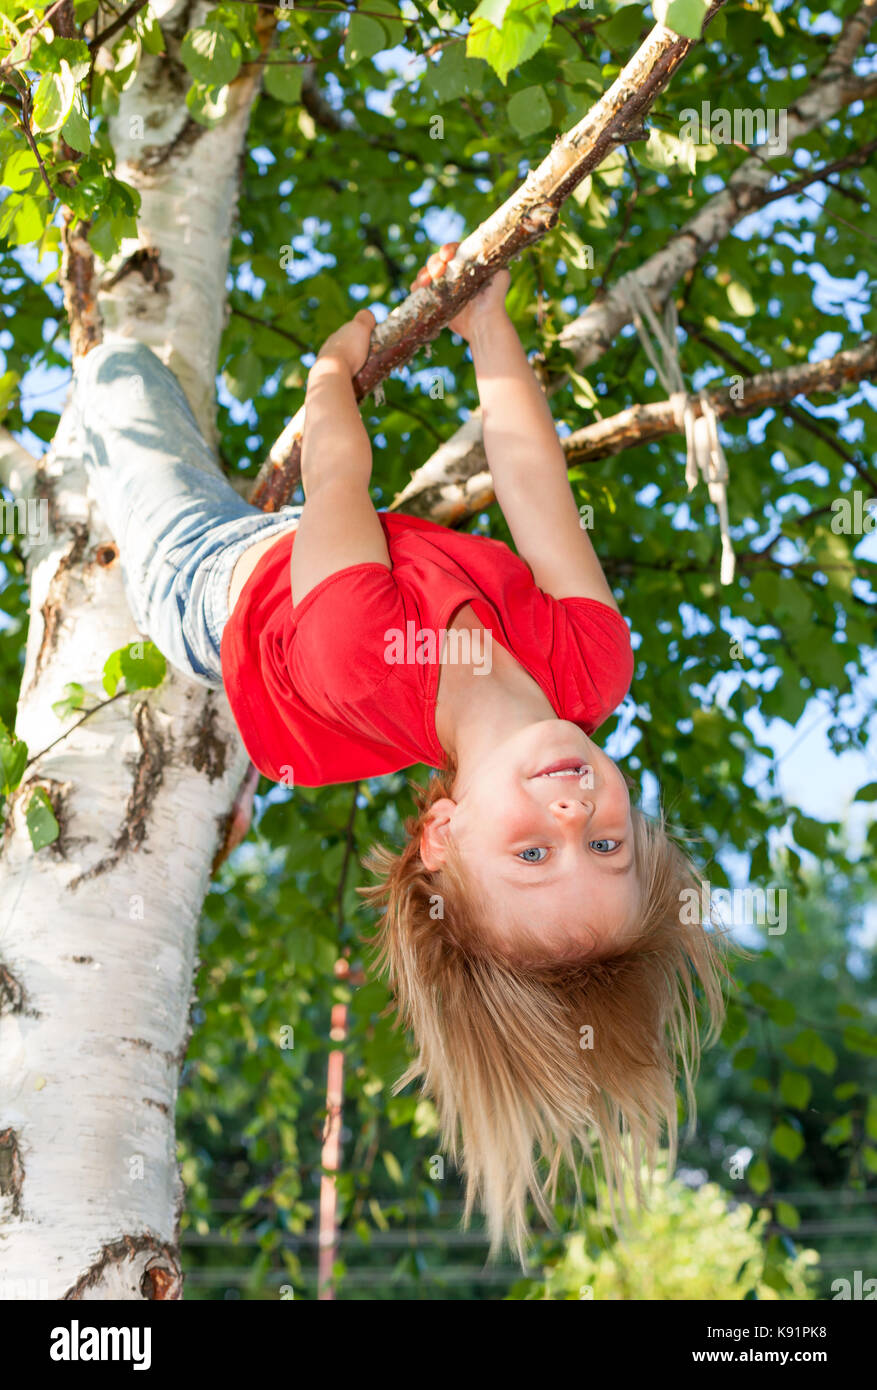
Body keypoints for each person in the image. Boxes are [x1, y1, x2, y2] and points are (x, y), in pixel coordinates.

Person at [72, 242, 728, 1261]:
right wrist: (486, 324)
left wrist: (329, 375)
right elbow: (527, 472)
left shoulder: (363, 652)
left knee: (123, 379)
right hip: (346, 564)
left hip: (215, 582)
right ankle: (251, 748)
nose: (573, 820)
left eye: (531, 858)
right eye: (608, 849)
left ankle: (106, 513)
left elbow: (338, 463)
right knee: (333, 566)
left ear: (442, 836)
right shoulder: (590, 667)